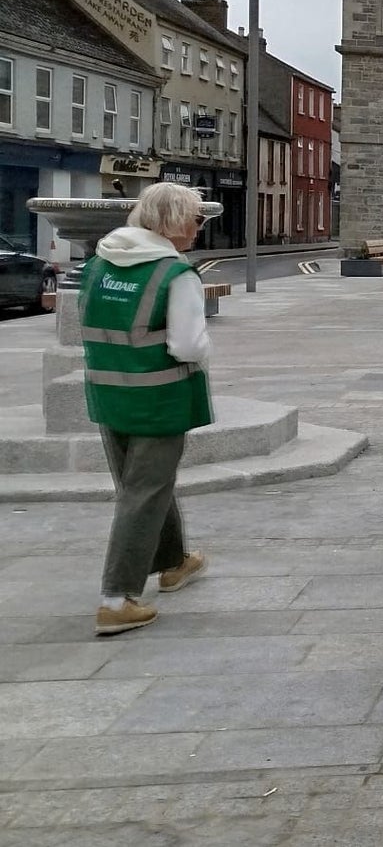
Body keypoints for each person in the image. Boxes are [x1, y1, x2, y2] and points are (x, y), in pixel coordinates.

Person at [82, 182, 214, 636]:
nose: (199, 228)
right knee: (143, 491)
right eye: (196, 218)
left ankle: (174, 562)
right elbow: (188, 345)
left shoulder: (99, 264)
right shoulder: (175, 275)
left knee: (144, 483)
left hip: (108, 391)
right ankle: (116, 599)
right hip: (158, 397)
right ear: (174, 222)